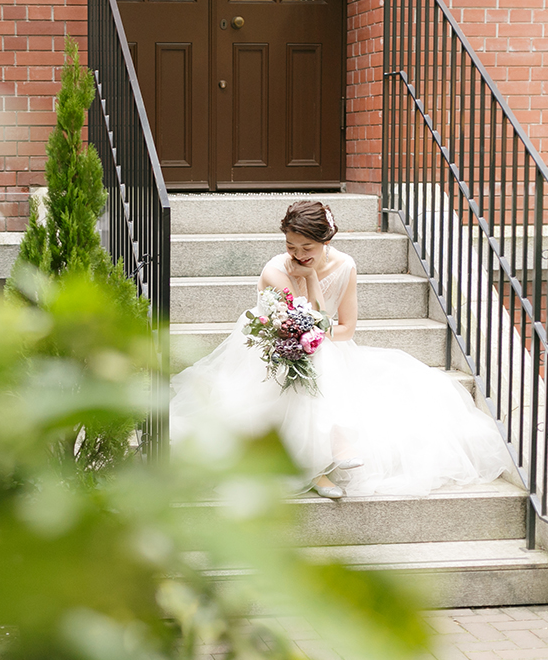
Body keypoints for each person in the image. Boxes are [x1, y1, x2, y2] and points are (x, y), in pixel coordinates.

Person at [170, 200, 509, 499]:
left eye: (307, 248)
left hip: (319, 345)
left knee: (323, 353)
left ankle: (327, 453)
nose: (298, 255)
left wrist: (314, 279)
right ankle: (327, 456)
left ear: (327, 242)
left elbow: (345, 330)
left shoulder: (345, 266)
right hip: (272, 348)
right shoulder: (276, 270)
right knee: (316, 352)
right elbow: (306, 321)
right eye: (291, 246)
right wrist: (310, 281)